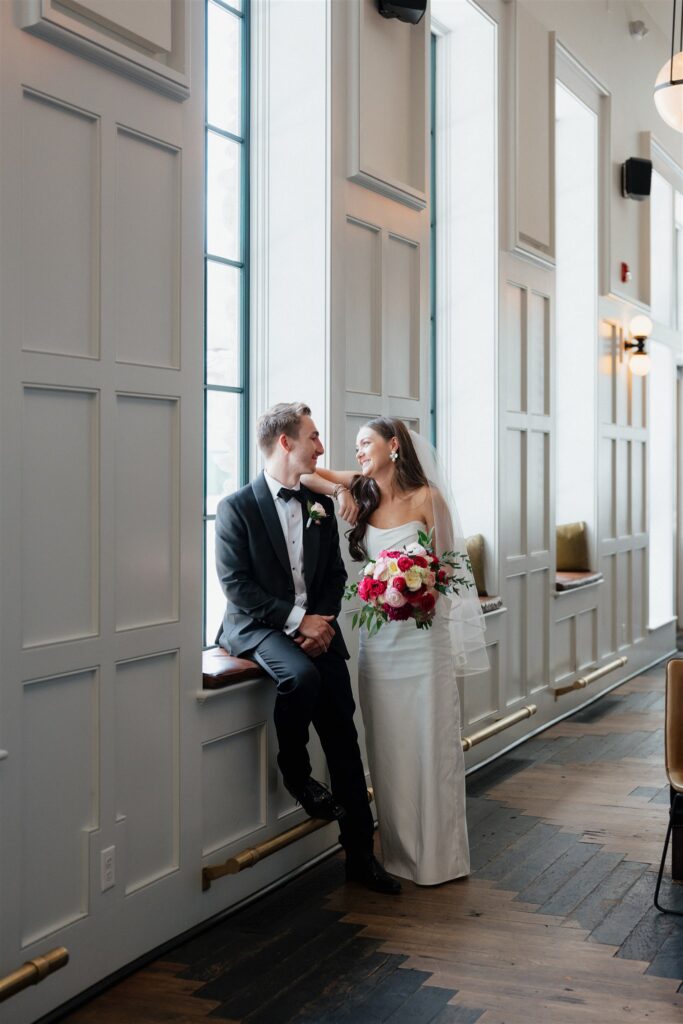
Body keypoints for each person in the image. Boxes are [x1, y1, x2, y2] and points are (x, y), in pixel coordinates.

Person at [215, 402, 401, 894]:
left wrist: (321, 622)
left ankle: (360, 858)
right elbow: (237, 586)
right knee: (301, 677)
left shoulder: (317, 505)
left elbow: (335, 575)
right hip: (255, 626)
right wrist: (300, 620)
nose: (321, 447)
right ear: (286, 442)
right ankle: (295, 772)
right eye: (314, 437)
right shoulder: (236, 506)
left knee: (344, 739)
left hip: (318, 629)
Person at [303, 417, 488, 885]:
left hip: (424, 643)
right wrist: (342, 493)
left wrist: (420, 590)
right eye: (357, 445)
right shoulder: (361, 487)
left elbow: (452, 571)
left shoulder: (429, 498)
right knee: (388, 747)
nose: (359, 451)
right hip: (379, 646)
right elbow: (305, 475)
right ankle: (400, 853)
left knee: (428, 743)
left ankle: (437, 859)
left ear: (394, 446)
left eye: (366, 443)